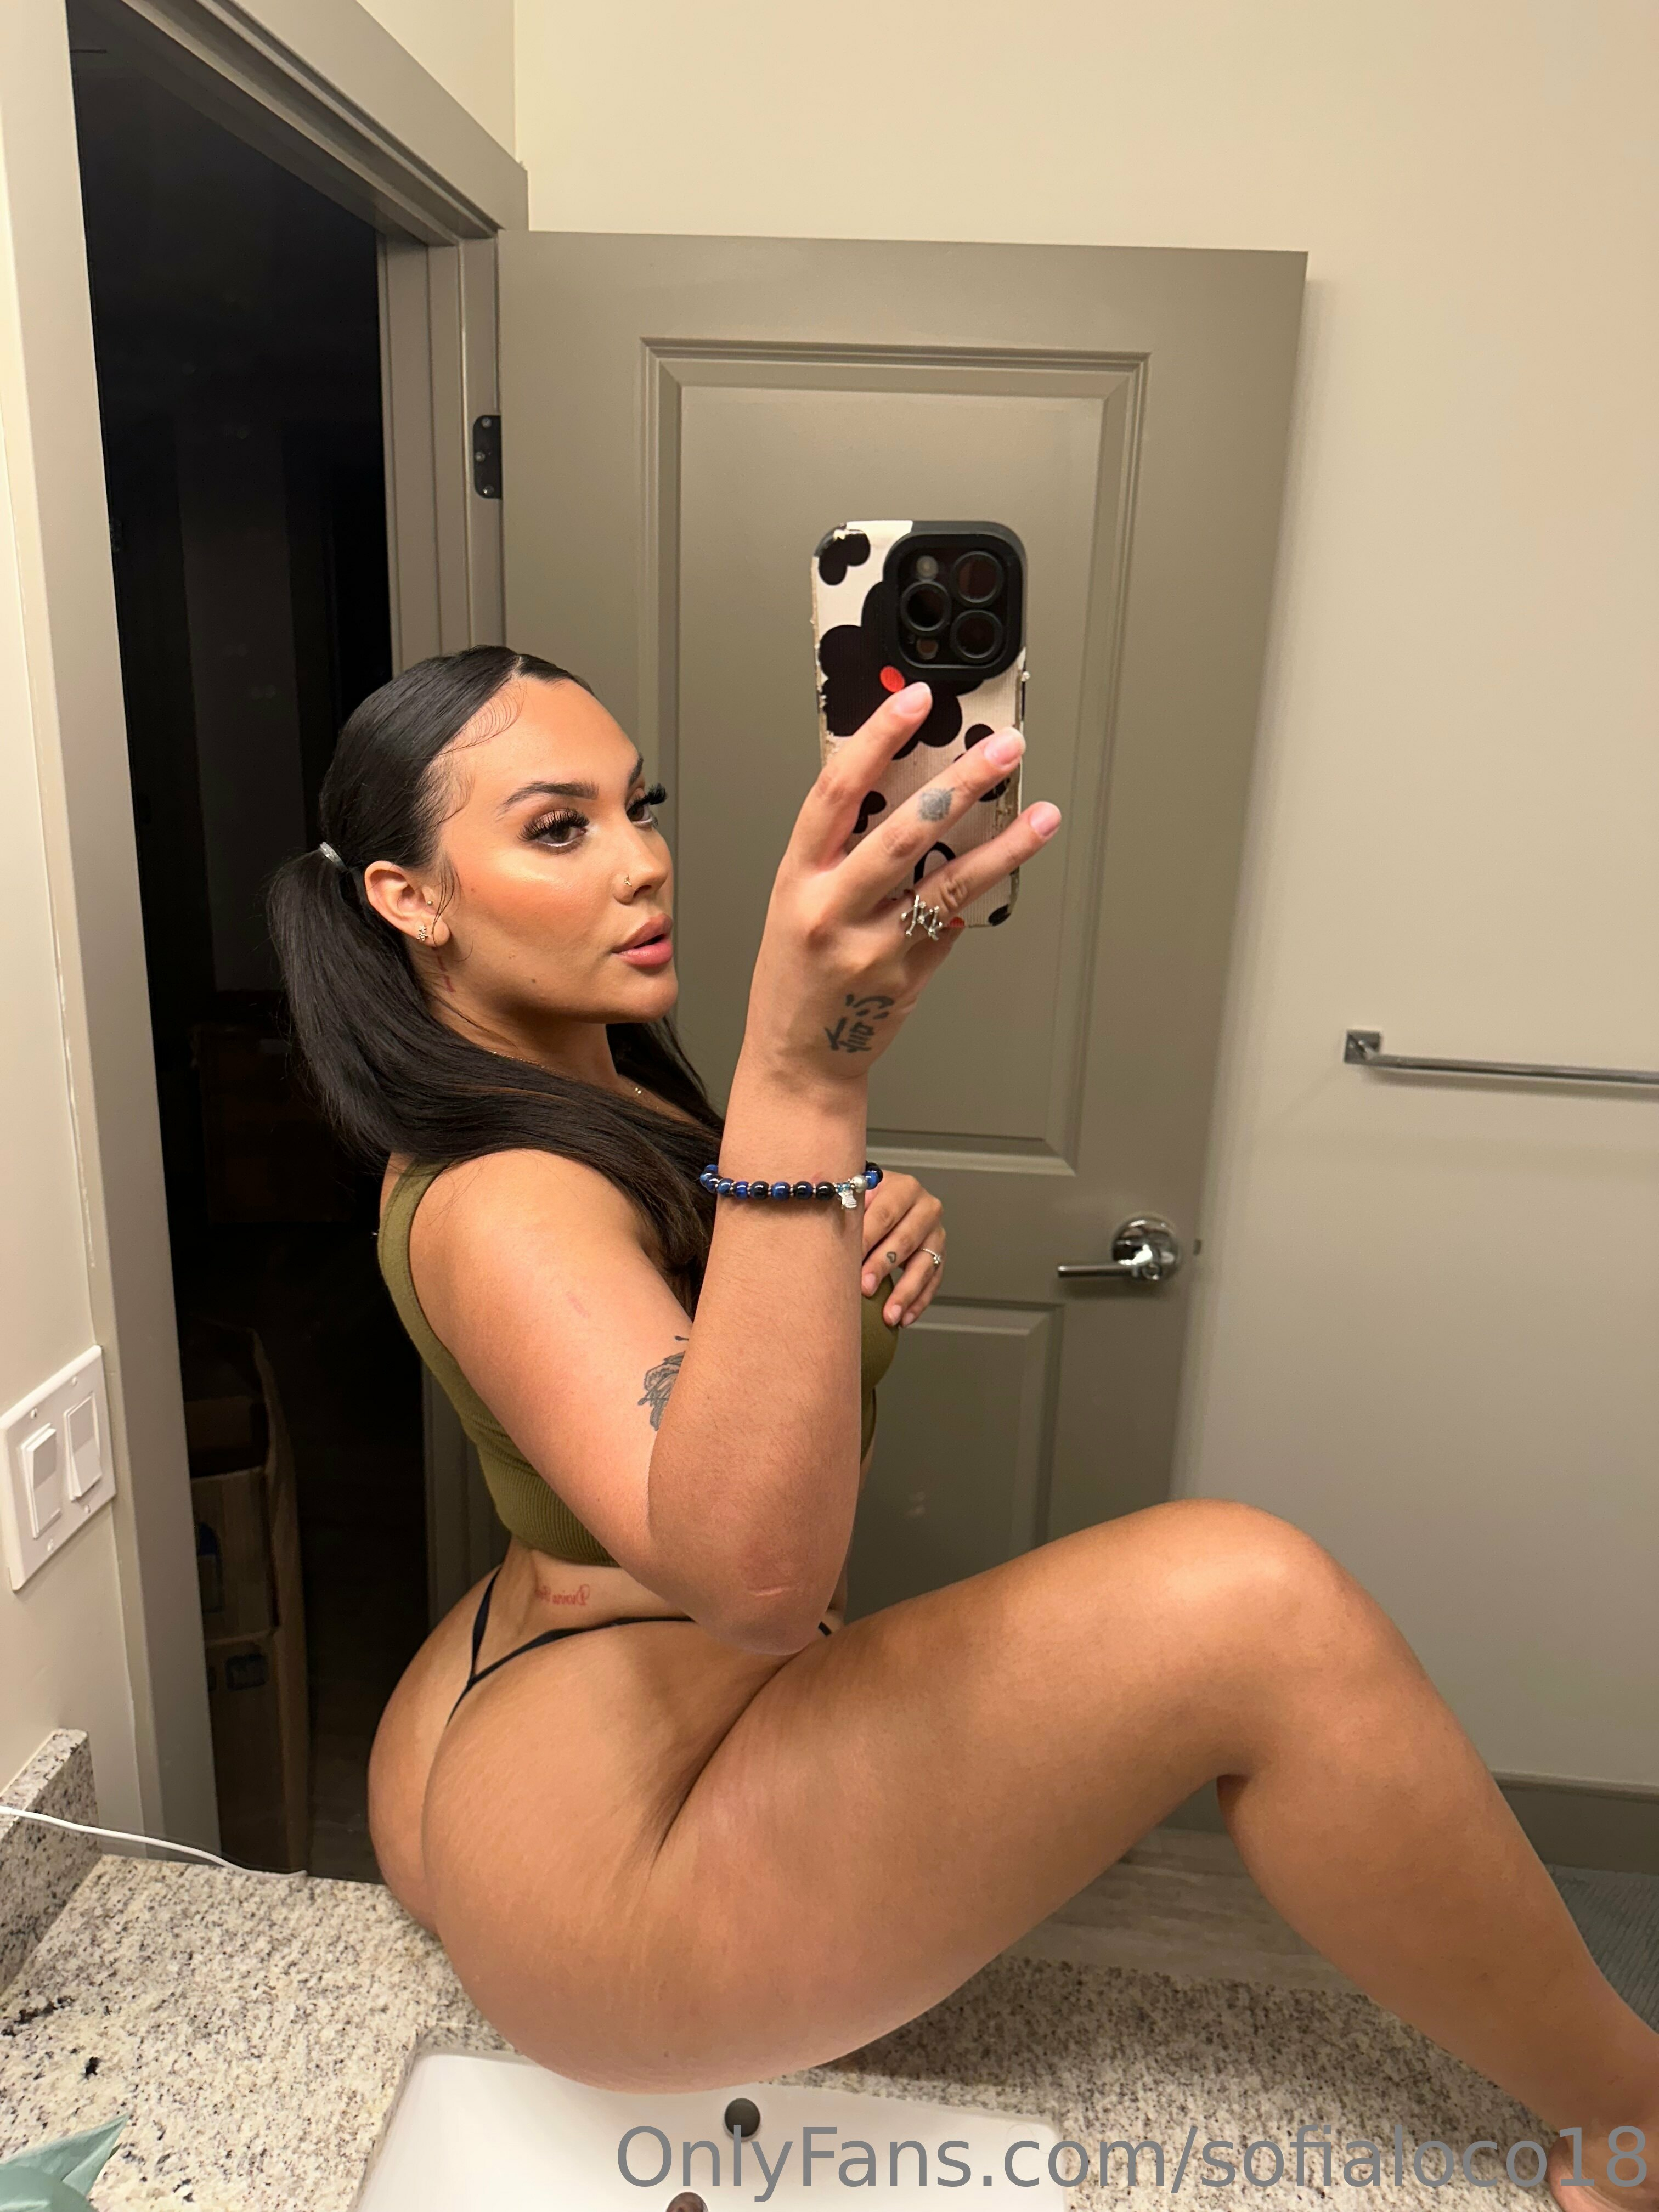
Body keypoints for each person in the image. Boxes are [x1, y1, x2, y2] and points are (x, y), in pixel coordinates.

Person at [268, 646, 1655, 2208]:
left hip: (531, 1704)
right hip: (613, 1866)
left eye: (638, 805)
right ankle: (1642, 2130)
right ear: (410, 899)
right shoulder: (507, 1192)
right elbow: (760, 1585)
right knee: (1259, 1609)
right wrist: (803, 1079)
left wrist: (817, 1262)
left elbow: (699, 1431)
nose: (644, 859)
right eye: (558, 827)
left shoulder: (566, 1096)